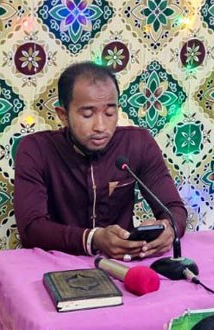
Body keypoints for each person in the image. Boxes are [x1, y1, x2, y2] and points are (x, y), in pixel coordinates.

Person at [13, 62, 187, 261]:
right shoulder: (36, 149)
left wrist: (168, 228)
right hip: (57, 263)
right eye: (87, 114)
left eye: (109, 113)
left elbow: (174, 208)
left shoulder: (138, 143)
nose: (101, 126)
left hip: (124, 264)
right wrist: (93, 239)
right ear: (63, 115)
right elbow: (31, 229)